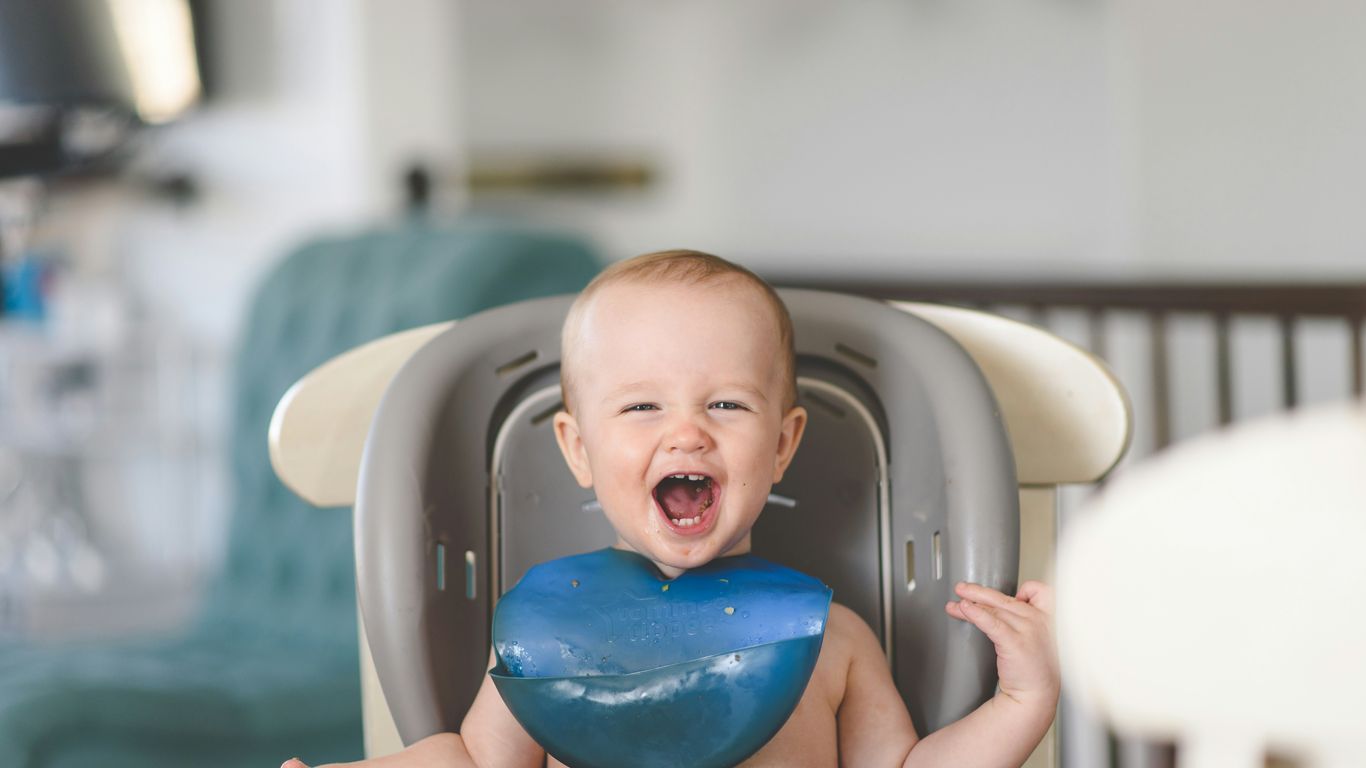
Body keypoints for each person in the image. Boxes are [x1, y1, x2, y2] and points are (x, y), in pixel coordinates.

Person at [285, 249, 1058, 768]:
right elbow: (472, 763)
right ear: (578, 449)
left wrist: (1025, 699)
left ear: (783, 445)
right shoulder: (550, 633)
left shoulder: (831, 639)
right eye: (642, 407)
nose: (686, 431)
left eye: (725, 404)